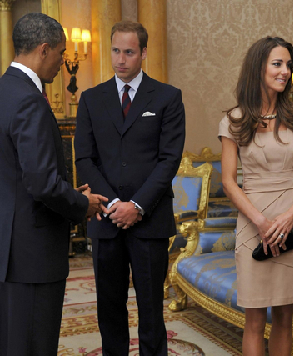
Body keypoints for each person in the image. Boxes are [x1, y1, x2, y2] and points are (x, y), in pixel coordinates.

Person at [74, 21, 185, 355]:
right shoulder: (91, 99)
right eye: (115, 50)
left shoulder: (167, 97)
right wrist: (113, 206)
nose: (120, 59)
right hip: (105, 220)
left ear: (143, 53)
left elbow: (169, 160)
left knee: (151, 310)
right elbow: (84, 159)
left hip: (149, 221)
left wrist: (135, 206)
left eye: (128, 52)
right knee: (109, 309)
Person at [0, 13, 107, 356]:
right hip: (32, 251)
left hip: (8, 246)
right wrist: (81, 205)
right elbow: (42, 183)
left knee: (11, 338)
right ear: (44, 50)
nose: (63, 64)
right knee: (34, 342)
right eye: (61, 54)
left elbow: (16, 174)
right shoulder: (31, 100)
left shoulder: (4, 90)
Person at [219, 36, 293, 356]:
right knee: (253, 319)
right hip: (254, 223)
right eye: (277, 64)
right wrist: (262, 222)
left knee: (284, 318)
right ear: (258, 68)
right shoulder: (233, 120)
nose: (285, 71)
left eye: (288, 65)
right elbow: (228, 182)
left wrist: (290, 217)